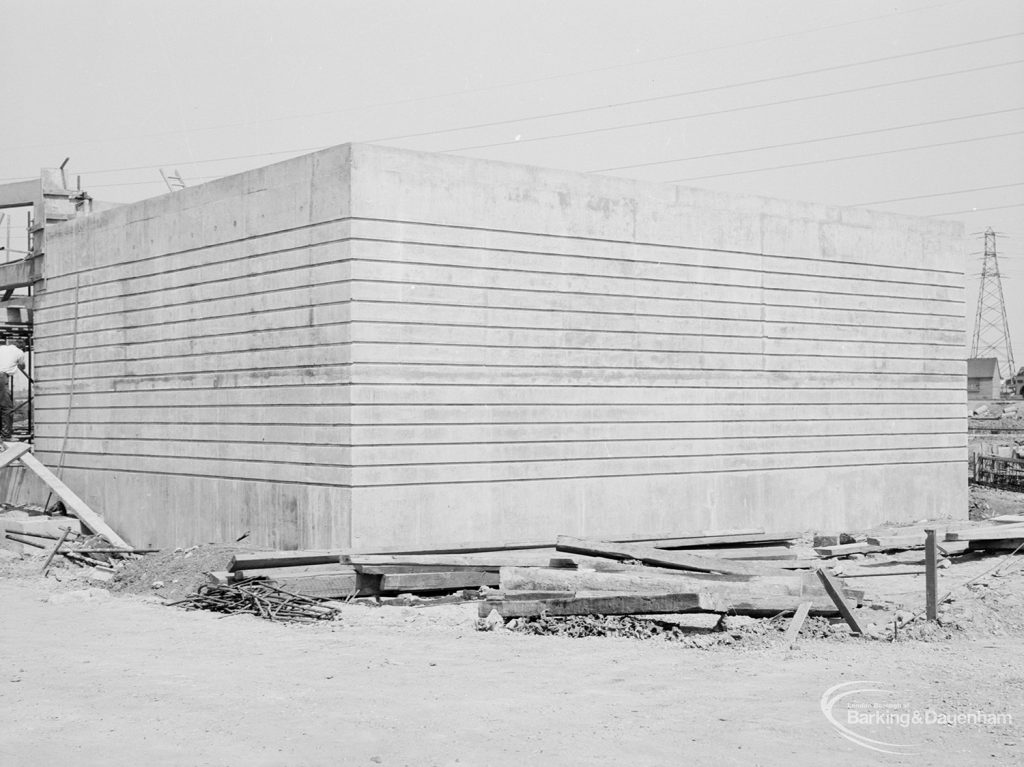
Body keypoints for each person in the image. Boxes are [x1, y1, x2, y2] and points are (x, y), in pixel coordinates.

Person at [0, 336, 28, 449]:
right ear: (23, 347)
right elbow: (22, 366)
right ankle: (6, 436)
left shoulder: (2, 348)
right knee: (6, 408)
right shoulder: (20, 352)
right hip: (1, 377)